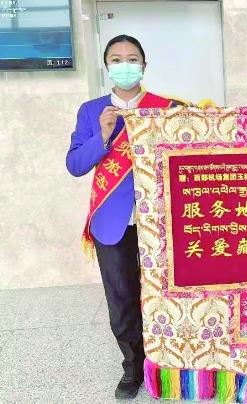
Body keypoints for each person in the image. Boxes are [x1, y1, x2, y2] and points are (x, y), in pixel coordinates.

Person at [66, 34, 184, 399]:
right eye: (116, 60)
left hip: (161, 223)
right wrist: (102, 135)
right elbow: (75, 165)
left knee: (165, 294)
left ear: (144, 65)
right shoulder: (92, 111)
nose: (125, 65)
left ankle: (169, 360)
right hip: (112, 221)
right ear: (107, 66)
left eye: (132, 59)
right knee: (121, 297)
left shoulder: (167, 108)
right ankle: (133, 366)